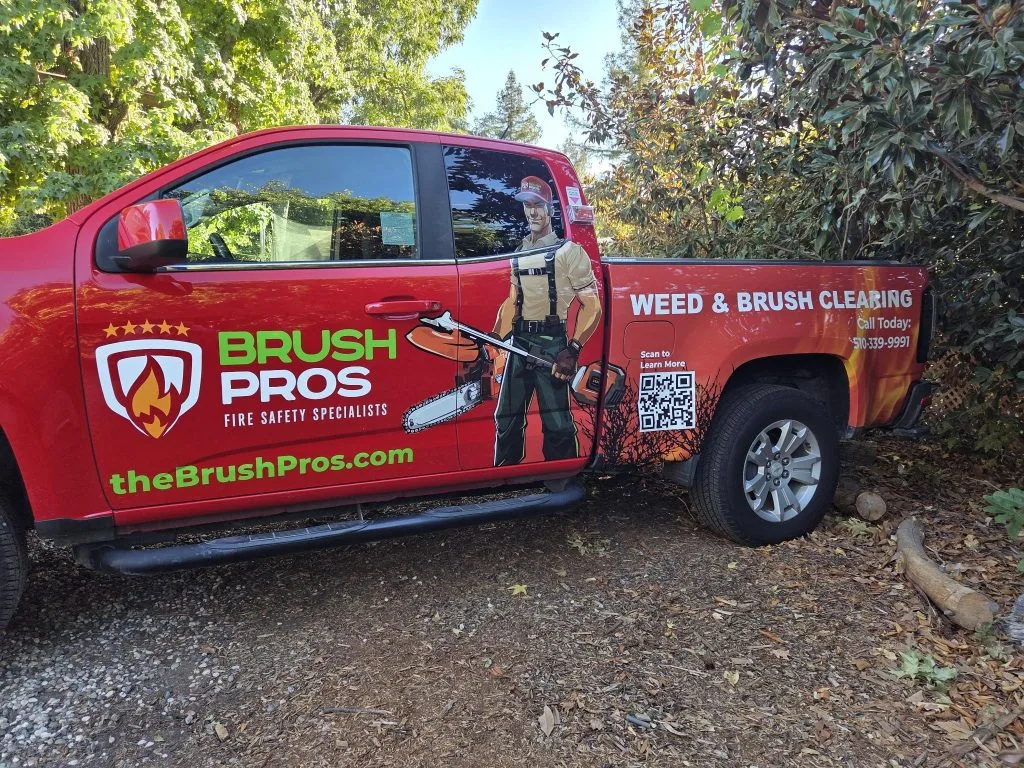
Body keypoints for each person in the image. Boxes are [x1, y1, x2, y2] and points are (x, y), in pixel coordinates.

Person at [491, 176, 603, 465]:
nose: (532, 212)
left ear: (550, 209)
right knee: (506, 418)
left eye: (538, 205)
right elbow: (512, 301)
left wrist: (573, 349)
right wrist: (494, 341)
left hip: (553, 346)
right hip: (520, 343)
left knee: (557, 425)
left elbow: (592, 305)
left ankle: (561, 479)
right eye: (527, 206)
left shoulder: (570, 253)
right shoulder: (517, 254)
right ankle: (505, 479)